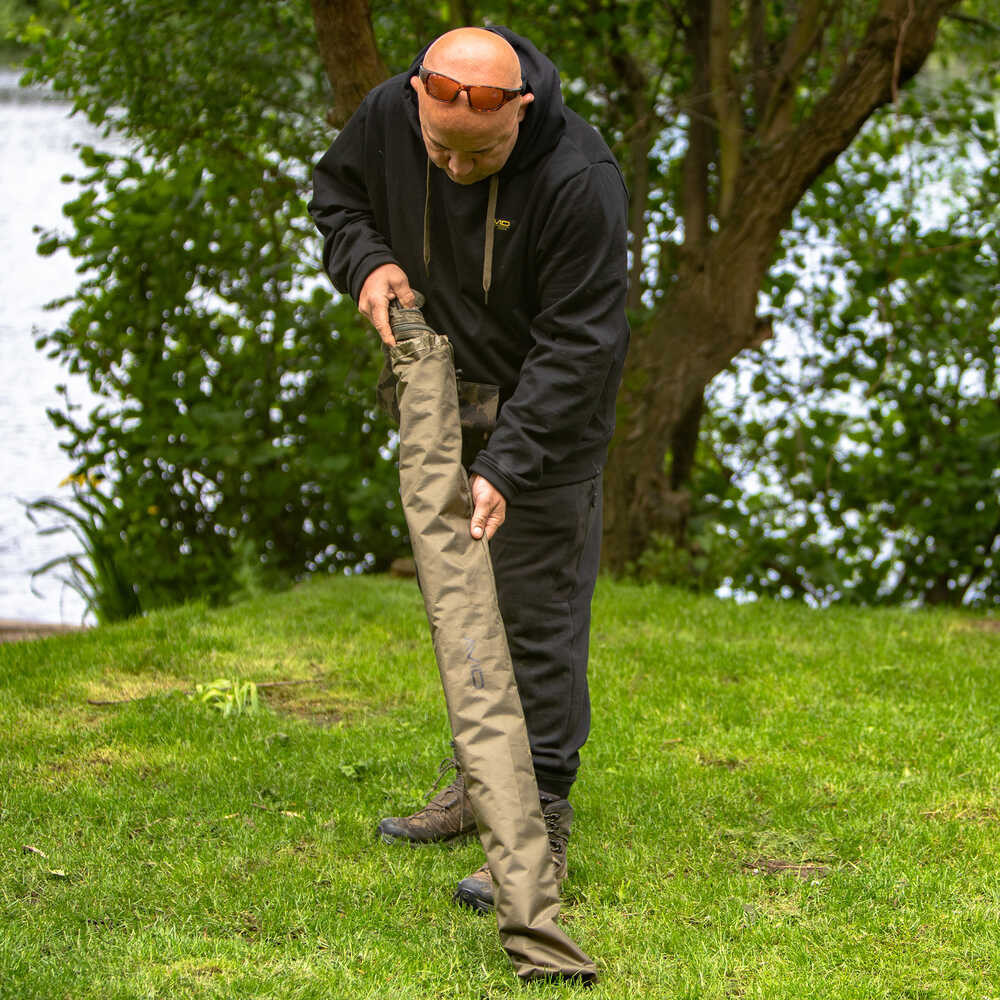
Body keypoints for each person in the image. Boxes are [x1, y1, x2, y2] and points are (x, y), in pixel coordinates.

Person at [308, 25, 629, 913]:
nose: (453, 168)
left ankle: (539, 821)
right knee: (460, 604)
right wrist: (367, 263)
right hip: (442, 407)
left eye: (479, 154)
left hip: (549, 423)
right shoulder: (388, 114)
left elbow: (581, 346)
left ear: (519, 111)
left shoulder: (580, 179)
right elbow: (338, 197)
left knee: (535, 619)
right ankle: (477, 782)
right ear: (418, 95)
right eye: (438, 148)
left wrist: (510, 466)